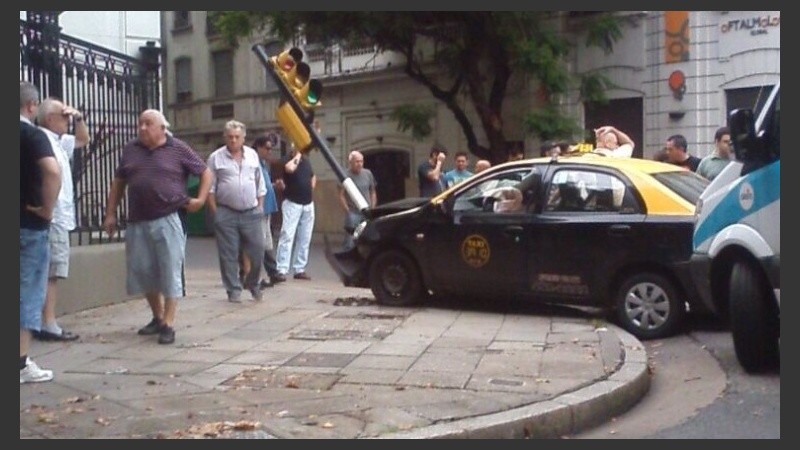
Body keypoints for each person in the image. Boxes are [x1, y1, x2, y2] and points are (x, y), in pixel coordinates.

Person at [102, 109, 211, 345]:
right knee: (143, 271)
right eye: (140, 123)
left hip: (169, 217)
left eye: (148, 124)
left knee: (170, 270)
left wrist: (201, 200)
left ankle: (169, 324)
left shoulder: (177, 148)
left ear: (162, 128)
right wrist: (110, 213)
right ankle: (158, 317)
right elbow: (119, 182)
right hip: (138, 219)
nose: (142, 128)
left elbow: (205, 172)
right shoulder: (130, 149)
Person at [32, 97, 90, 342]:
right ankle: (48, 323)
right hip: (53, 215)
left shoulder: (58, 141)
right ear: (49, 118)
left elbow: (83, 140)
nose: (68, 120)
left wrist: (79, 118)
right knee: (52, 272)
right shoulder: (42, 139)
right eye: (64, 116)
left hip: (59, 215)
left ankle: (42, 321)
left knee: (48, 270)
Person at [20, 81, 61, 384]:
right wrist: (47, 209)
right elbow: (52, 171)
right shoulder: (32, 135)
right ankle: (20, 363)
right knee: (27, 293)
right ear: (32, 106)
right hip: (27, 224)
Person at [206, 120, 267, 303]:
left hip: (251, 212)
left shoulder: (252, 155)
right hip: (226, 212)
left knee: (258, 251)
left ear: (243, 138)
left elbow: (260, 182)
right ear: (225, 137)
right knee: (228, 254)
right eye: (230, 137)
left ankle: (253, 283)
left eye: (237, 137)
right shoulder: (215, 158)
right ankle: (233, 290)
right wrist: (216, 212)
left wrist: (260, 206)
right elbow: (210, 188)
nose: (233, 140)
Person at [274, 146, 316, 281]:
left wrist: (311, 186)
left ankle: (300, 268)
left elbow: (313, 175)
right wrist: (298, 155)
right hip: (292, 203)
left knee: (305, 237)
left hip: (307, 203)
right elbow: (290, 169)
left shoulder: (306, 162)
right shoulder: (287, 160)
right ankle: (281, 268)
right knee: (287, 235)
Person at [251, 134, 285, 289]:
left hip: (267, 208)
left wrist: (273, 185)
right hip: (259, 208)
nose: (270, 151)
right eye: (267, 148)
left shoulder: (263, 164)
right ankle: (256, 276)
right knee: (260, 242)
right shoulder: (253, 163)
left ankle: (272, 272)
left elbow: (263, 185)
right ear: (258, 147)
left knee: (267, 241)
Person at [339, 150, 377, 251]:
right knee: (351, 239)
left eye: (361, 161)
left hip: (367, 212)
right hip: (353, 212)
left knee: (366, 237)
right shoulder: (345, 175)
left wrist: (373, 207)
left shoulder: (368, 173)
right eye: (357, 161)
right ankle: (348, 254)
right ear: (350, 162)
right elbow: (341, 195)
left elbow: (373, 191)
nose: (360, 164)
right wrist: (347, 211)